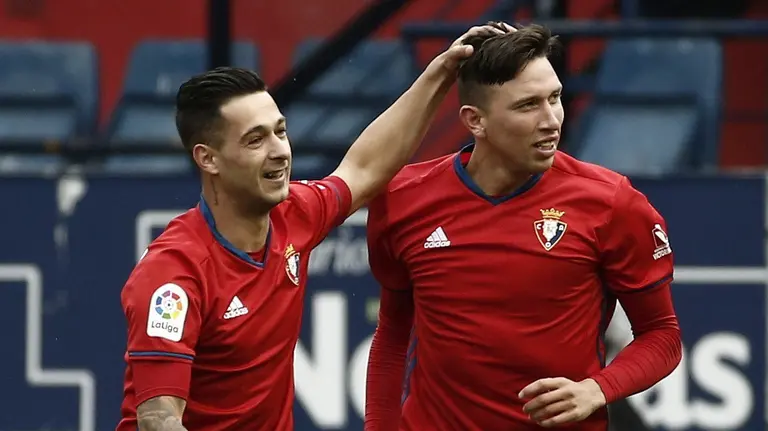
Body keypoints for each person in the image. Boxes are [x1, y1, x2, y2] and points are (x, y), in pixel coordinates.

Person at [116, 23, 510, 431]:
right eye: (255, 140)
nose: (279, 152)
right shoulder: (173, 275)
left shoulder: (295, 214)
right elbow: (158, 419)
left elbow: (364, 169)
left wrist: (440, 73)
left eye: (280, 131)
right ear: (208, 159)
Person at [364, 23, 683, 431]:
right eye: (528, 105)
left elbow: (662, 335)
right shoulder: (403, 197)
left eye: (555, 98)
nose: (552, 120)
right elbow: (393, 331)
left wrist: (597, 389)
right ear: (475, 121)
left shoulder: (612, 203)